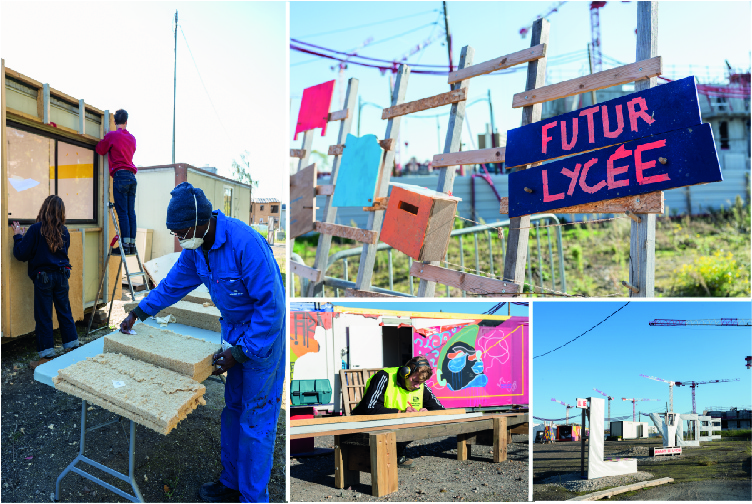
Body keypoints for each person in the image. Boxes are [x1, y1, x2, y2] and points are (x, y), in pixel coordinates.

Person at [120, 182, 285, 503]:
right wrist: (138, 312)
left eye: (181, 232)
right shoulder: (196, 251)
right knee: (234, 410)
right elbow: (171, 286)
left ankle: (253, 497)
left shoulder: (245, 243)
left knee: (256, 420)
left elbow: (273, 308)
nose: (178, 240)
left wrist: (242, 352)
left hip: (264, 338)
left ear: (199, 223)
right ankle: (231, 482)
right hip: (236, 333)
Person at [12, 195, 80, 369]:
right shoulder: (64, 232)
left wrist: (18, 236)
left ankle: (46, 358)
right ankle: (73, 352)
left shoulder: (36, 230)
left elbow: (20, 254)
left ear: (44, 209)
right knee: (65, 312)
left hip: (44, 278)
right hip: (62, 275)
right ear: (61, 213)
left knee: (44, 316)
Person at [352, 356, 445, 468]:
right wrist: (401, 413)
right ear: (404, 373)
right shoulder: (384, 377)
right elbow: (369, 408)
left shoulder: (419, 383)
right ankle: (382, 455)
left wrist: (426, 412)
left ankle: (395, 454)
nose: (417, 385)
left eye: (421, 382)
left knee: (418, 423)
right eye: (414, 380)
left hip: (392, 425)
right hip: (365, 423)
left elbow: (440, 409)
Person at [95, 108, 137, 255]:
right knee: (131, 212)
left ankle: (124, 246)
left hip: (120, 176)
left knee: (123, 213)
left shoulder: (112, 136)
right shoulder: (132, 138)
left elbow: (100, 150)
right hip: (132, 177)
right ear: (126, 121)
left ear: (114, 122)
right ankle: (131, 244)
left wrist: (105, 138)